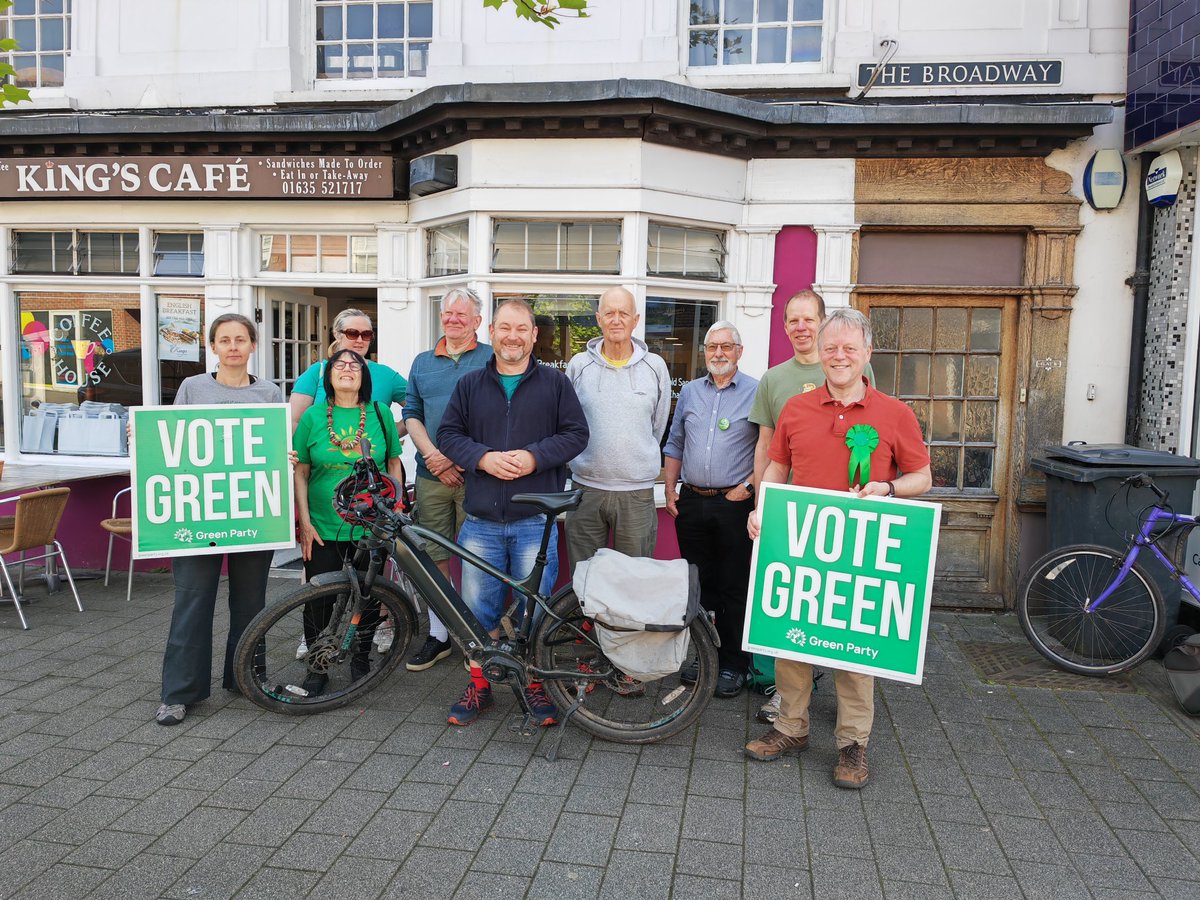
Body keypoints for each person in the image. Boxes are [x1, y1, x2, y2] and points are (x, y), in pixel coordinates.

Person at [745, 308, 931, 790]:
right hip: (800, 543)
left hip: (861, 552)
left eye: (850, 348)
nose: (839, 357)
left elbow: (922, 477)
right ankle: (791, 728)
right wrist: (762, 508)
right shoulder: (796, 409)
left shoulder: (895, 414)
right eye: (831, 349)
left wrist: (888, 489)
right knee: (791, 640)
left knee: (855, 651)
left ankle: (852, 745)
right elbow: (777, 468)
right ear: (820, 355)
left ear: (868, 353)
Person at [437, 299, 589, 726]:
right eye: (505, 328)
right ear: (491, 332)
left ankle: (536, 686)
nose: (512, 336)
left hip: (533, 524)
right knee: (477, 612)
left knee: (534, 613)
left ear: (533, 335)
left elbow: (577, 434)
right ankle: (479, 687)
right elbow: (448, 434)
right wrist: (482, 458)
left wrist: (534, 457)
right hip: (481, 522)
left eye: (521, 329)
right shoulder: (469, 385)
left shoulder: (555, 384)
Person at [748, 289, 873, 725]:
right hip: (795, 519)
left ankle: (851, 726)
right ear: (786, 328)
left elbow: (873, 430)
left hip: (852, 519)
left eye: (809, 319)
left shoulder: (858, 370)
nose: (801, 327)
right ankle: (788, 714)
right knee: (792, 619)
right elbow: (769, 449)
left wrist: (886, 490)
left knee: (848, 620)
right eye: (793, 320)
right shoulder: (775, 381)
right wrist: (762, 500)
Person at [156, 313, 284, 726]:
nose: (233, 346)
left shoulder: (268, 392)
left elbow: (274, 446)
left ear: (252, 346)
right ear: (212, 347)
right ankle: (179, 693)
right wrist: (143, 439)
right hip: (197, 516)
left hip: (251, 514)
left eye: (241, 339)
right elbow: (170, 441)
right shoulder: (193, 388)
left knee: (251, 603)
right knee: (192, 602)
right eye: (224, 339)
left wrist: (285, 456)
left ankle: (246, 678)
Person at [292, 348, 406, 693]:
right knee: (318, 598)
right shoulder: (312, 416)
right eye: (339, 365)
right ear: (328, 376)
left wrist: (396, 508)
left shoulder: (380, 412)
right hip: (323, 525)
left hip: (371, 524)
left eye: (354, 365)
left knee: (367, 594)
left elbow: (393, 464)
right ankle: (318, 666)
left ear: (364, 376)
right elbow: (301, 471)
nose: (346, 369)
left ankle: (361, 660)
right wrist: (305, 523)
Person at [663, 321, 757, 699]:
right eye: (711, 347)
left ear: (739, 350)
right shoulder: (689, 392)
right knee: (699, 587)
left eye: (726, 346)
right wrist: (670, 488)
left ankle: (734, 664)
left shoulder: (756, 391)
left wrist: (748, 487)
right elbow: (675, 442)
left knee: (734, 586)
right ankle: (705, 657)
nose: (718, 353)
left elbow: (770, 450)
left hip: (734, 504)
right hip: (693, 501)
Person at [401, 288, 492, 671]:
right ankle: (439, 634)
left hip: (479, 477)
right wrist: (434, 457)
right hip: (432, 475)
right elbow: (411, 413)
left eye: (462, 314)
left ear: (477, 321)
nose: (453, 319)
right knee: (434, 555)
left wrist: (467, 459)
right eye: (448, 314)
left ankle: (478, 634)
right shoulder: (422, 362)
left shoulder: (492, 358)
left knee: (478, 557)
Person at [564, 286, 670, 570]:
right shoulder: (579, 365)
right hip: (586, 490)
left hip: (637, 494)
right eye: (609, 313)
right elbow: (567, 424)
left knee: (633, 582)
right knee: (584, 579)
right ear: (599, 318)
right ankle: (588, 619)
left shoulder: (655, 367)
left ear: (635, 320)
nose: (616, 320)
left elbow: (657, 426)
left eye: (623, 313)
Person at [289, 308, 408, 437]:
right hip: (321, 456)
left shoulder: (386, 375)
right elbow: (293, 421)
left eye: (366, 334)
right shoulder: (318, 372)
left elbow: (418, 407)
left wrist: (391, 435)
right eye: (352, 333)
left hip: (372, 456)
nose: (360, 340)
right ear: (337, 335)